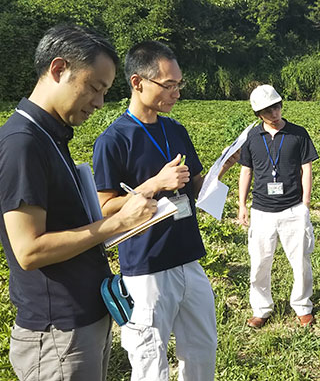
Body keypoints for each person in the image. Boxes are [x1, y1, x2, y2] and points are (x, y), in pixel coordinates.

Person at [0, 25, 157, 381]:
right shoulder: (23, 143)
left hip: (82, 321)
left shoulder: (49, 136)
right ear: (59, 70)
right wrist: (117, 222)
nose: (99, 102)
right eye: (94, 87)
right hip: (59, 335)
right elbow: (28, 250)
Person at [92, 41, 236, 380]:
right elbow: (105, 209)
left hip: (188, 257)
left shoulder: (176, 130)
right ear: (137, 82)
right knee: (150, 358)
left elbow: (197, 187)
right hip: (147, 266)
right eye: (168, 85)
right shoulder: (113, 140)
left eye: (178, 85)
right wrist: (155, 183)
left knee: (202, 348)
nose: (176, 93)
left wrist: (224, 167)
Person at [238, 84, 319, 328]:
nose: (274, 113)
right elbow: (246, 171)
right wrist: (242, 205)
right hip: (261, 210)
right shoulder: (252, 138)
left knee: (301, 262)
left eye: (277, 106)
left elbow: (306, 169)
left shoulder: (298, 134)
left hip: (293, 208)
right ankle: (261, 309)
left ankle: (303, 306)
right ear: (258, 114)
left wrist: (305, 203)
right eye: (267, 110)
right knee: (260, 263)